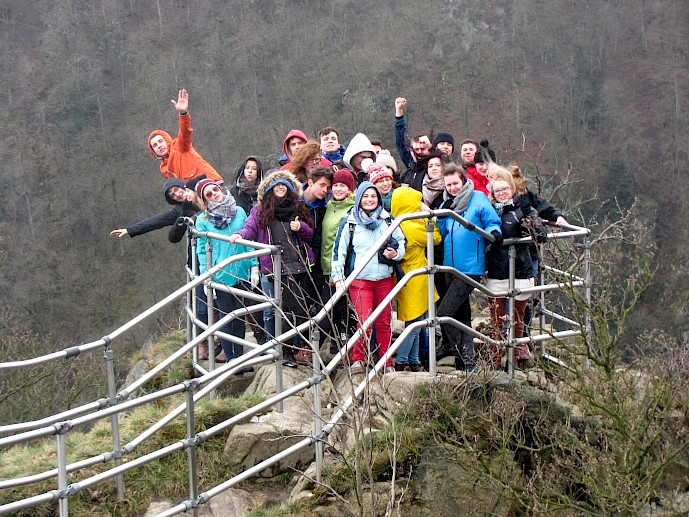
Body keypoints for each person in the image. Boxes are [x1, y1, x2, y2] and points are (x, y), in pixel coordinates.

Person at [229, 171, 314, 368]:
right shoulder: (260, 210)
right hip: (276, 267)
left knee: (292, 310)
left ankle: (285, 350)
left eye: (284, 186)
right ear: (269, 190)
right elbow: (249, 229)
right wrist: (240, 235)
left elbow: (309, 233)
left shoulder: (296, 208)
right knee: (296, 310)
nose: (281, 188)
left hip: (299, 264)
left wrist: (299, 227)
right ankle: (284, 350)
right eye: (277, 186)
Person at [331, 182, 406, 374]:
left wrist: (395, 254)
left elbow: (401, 243)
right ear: (359, 199)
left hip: (385, 279)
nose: (370, 200)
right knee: (364, 322)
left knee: (383, 322)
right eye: (366, 196)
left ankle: (386, 362)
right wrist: (339, 278)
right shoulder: (350, 222)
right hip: (360, 280)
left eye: (373, 196)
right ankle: (359, 359)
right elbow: (338, 251)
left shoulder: (389, 220)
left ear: (379, 199)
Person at [436, 163, 502, 372]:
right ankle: (467, 363)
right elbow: (444, 229)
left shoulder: (478, 198)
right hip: (450, 266)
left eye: (455, 183)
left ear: (463, 180)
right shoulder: (449, 203)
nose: (453, 187)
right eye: (449, 184)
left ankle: (460, 356)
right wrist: (440, 216)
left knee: (445, 313)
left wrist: (494, 232)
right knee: (461, 316)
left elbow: (490, 220)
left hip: (470, 266)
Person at [485, 172, 547, 369]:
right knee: (496, 320)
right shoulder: (489, 211)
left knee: (518, 319)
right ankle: (495, 362)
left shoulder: (523, 208)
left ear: (512, 188)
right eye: (498, 190)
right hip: (496, 269)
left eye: (505, 189)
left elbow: (541, 235)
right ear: (493, 193)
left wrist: (529, 221)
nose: (502, 193)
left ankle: (513, 360)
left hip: (521, 268)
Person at [195, 179, 257, 369]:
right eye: (209, 194)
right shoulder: (203, 220)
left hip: (242, 270)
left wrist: (254, 264)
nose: (215, 194)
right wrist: (208, 276)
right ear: (204, 200)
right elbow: (202, 250)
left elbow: (248, 237)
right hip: (221, 274)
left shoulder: (238, 211)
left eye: (215, 189)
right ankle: (231, 358)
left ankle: (239, 356)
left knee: (239, 317)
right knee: (226, 316)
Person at [390, 187, 441, 372]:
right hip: (416, 278)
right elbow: (435, 237)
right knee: (414, 324)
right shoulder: (411, 227)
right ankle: (402, 360)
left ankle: (414, 359)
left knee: (416, 322)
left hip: (407, 277)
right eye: (417, 201)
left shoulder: (398, 224)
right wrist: (430, 216)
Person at [147, 89, 224, 183]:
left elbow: (185, 131)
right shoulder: (163, 168)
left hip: (210, 181)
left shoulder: (178, 145)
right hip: (193, 194)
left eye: (160, 141)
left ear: (166, 141)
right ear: (153, 152)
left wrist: (183, 114)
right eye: (155, 145)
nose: (159, 146)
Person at [320, 169, 357, 352]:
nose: (338, 189)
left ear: (350, 189)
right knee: (332, 311)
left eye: (343, 185)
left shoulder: (352, 209)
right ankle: (337, 344)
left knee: (344, 310)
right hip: (326, 265)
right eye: (335, 185)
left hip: (343, 268)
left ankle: (347, 346)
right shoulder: (329, 206)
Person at [394, 97, 432, 190]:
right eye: (416, 149)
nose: (419, 152)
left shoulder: (434, 167)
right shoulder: (410, 167)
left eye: (423, 149)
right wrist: (399, 111)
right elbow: (401, 139)